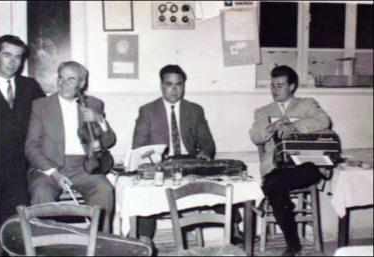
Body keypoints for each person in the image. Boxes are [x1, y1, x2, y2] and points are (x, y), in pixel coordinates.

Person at [132, 64, 242, 243]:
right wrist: (157, 158)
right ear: (161, 86)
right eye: (169, 84)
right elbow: (138, 146)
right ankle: (145, 239)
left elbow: (207, 143)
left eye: (179, 84)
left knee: (217, 182)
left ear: (184, 86)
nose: (174, 89)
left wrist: (205, 153)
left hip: (190, 164)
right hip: (162, 165)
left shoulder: (195, 110)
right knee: (146, 192)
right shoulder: (147, 111)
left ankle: (234, 228)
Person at [25, 61, 115, 233]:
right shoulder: (41, 106)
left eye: (70, 79)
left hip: (85, 167)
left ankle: (101, 242)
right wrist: (53, 172)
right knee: (41, 192)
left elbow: (108, 142)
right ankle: (44, 244)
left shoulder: (94, 104)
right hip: (49, 167)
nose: (63, 83)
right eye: (61, 77)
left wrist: (101, 121)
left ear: (81, 84)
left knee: (105, 190)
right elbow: (31, 146)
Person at [249, 65, 330, 256]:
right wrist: (270, 128)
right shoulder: (263, 111)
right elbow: (255, 136)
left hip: (305, 165)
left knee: (274, 184)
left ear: (292, 86)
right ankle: (293, 246)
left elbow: (323, 121)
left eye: (280, 85)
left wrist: (295, 126)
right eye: (272, 85)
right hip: (276, 167)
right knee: (276, 183)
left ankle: (264, 194)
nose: (274, 90)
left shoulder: (307, 104)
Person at [0, 35, 45, 236]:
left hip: (20, 168)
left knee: (14, 229)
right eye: (7, 55)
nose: (13, 62)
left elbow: (49, 116)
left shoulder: (29, 86)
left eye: (18, 56)